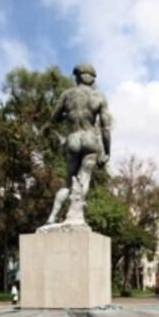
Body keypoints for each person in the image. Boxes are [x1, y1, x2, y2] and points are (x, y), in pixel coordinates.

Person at [42, 62, 112, 229]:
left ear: (77, 76)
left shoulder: (67, 95)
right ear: (92, 79)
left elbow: (53, 119)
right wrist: (107, 152)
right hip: (90, 140)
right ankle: (75, 215)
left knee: (67, 182)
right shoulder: (99, 97)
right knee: (84, 178)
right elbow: (106, 128)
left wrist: (66, 120)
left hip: (73, 139)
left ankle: (52, 217)